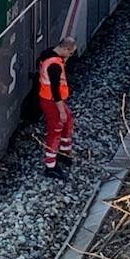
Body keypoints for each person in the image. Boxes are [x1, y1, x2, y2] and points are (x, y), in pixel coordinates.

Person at [37, 37, 77, 179]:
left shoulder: (47, 54)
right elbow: (55, 90)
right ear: (66, 49)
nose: (70, 56)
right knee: (56, 130)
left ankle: (63, 153)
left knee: (68, 122)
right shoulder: (54, 66)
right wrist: (61, 110)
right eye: (71, 53)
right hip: (52, 101)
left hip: (48, 98)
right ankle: (50, 166)